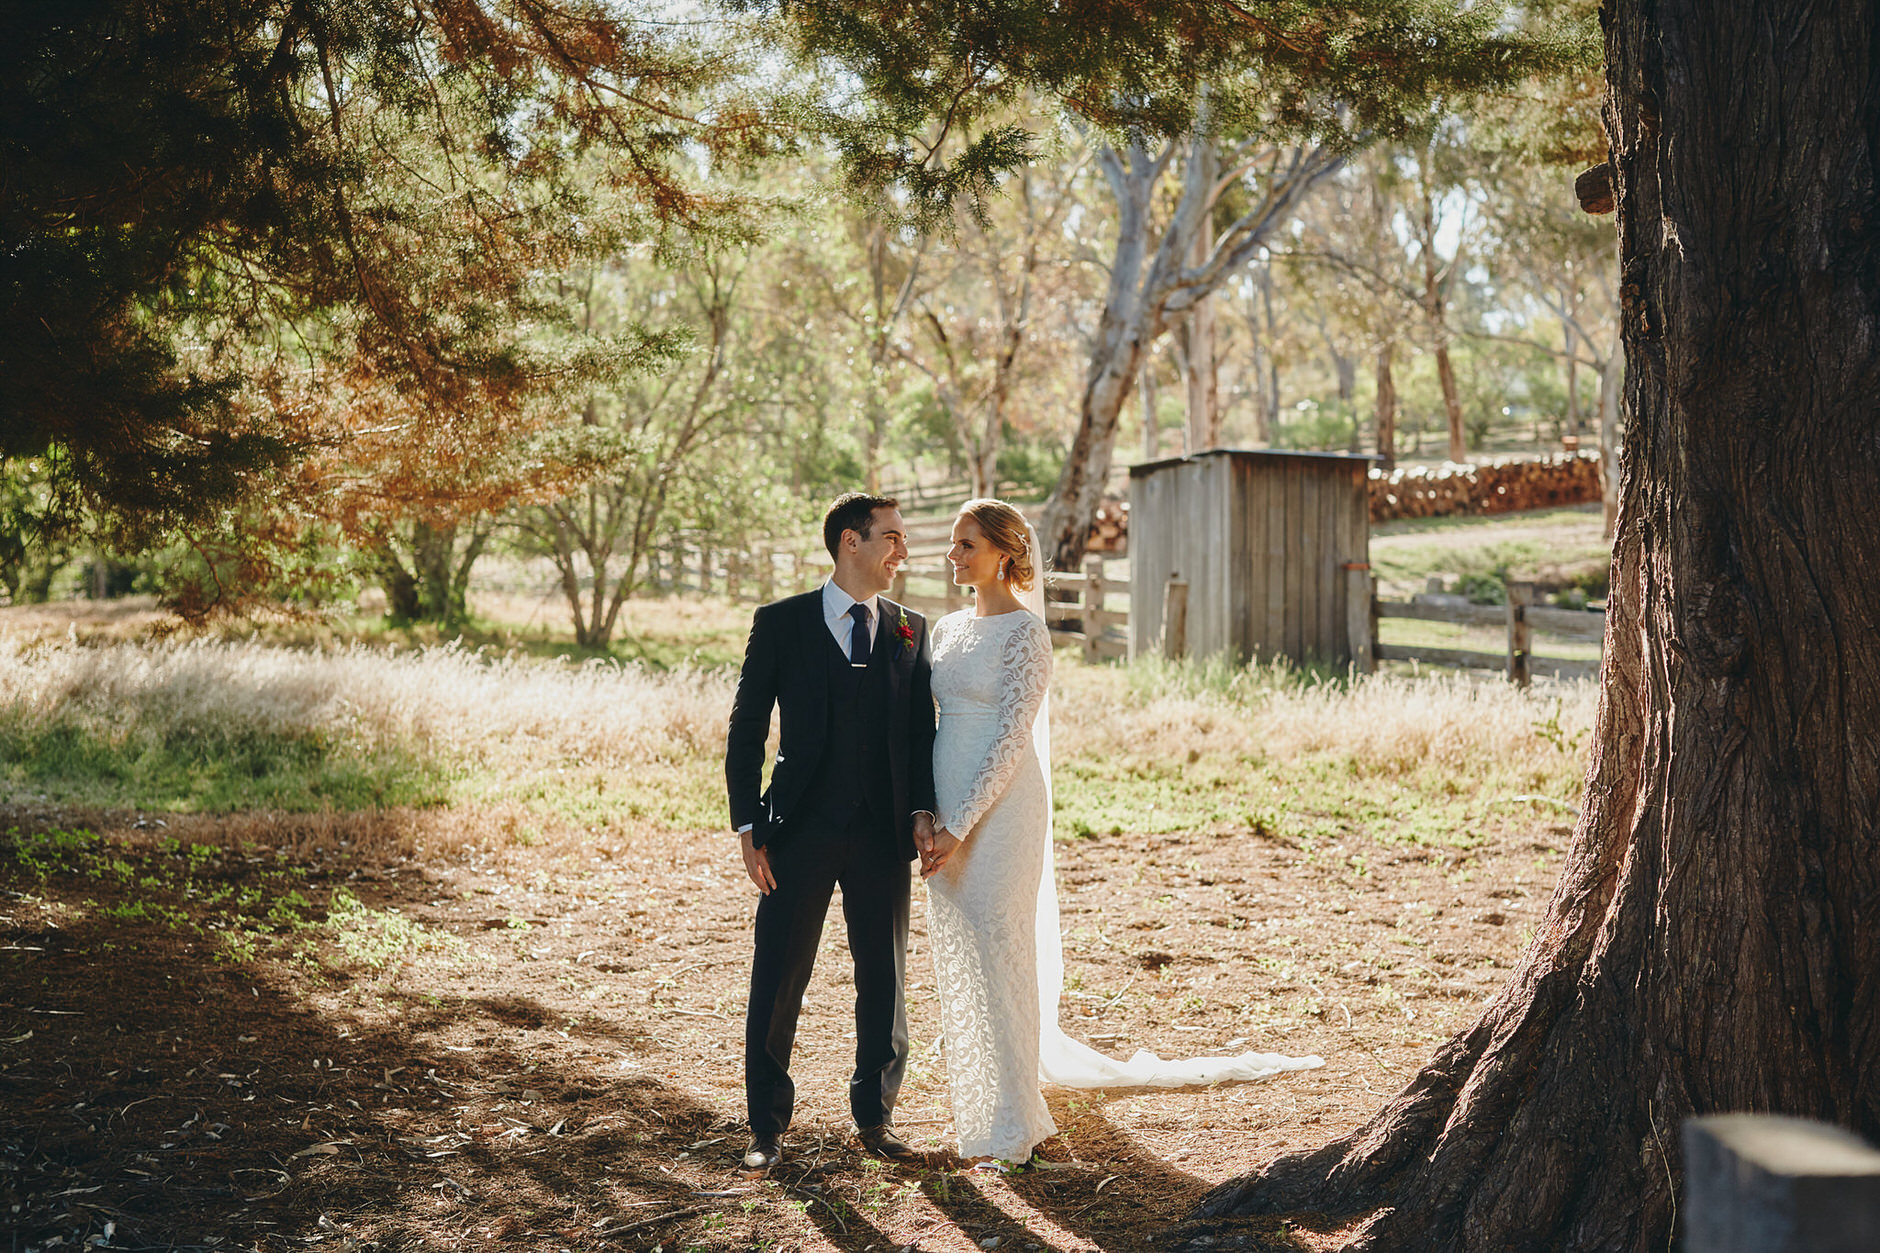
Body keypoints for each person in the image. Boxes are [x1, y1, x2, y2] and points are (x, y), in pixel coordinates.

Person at [920, 498, 1323, 1168]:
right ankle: (984, 1105)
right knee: (965, 952)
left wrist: (962, 822)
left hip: (1002, 810)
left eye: (967, 544)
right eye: (954, 544)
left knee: (1002, 946)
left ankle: (1016, 1123)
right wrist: (931, 817)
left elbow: (1011, 738)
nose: (954, 556)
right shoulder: (946, 630)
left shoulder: (1026, 635)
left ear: (1004, 552)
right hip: (942, 815)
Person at [725, 492, 937, 1174]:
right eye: (892, 537)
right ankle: (765, 1126)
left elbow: (918, 734)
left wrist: (922, 812)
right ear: (852, 541)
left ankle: (875, 1117)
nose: (902, 551)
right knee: (780, 975)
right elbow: (747, 726)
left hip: (882, 836)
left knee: (885, 976)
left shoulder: (910, 628)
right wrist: (747, 823)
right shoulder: (781, 623)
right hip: (798, 830)